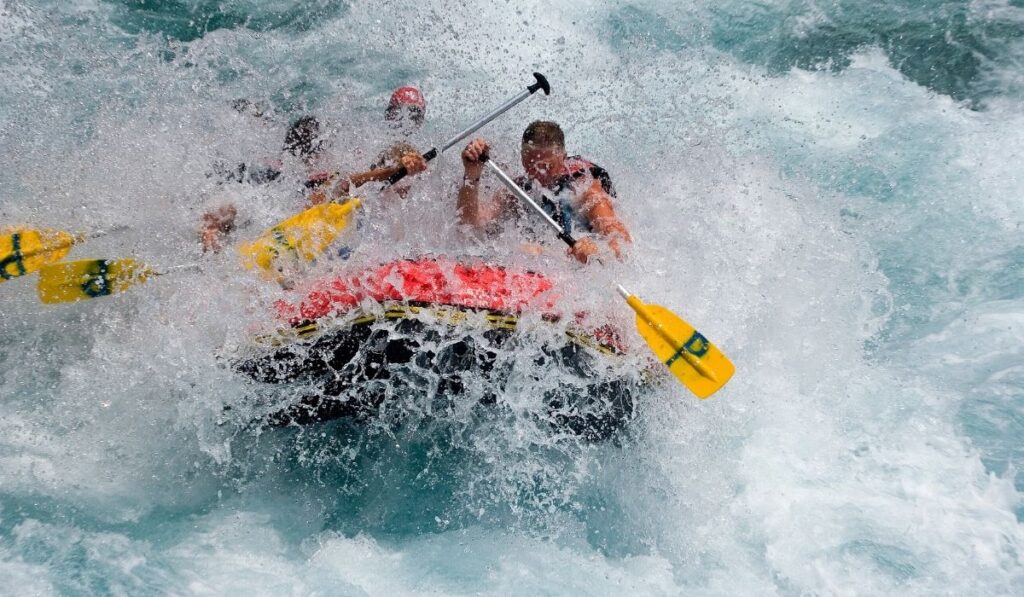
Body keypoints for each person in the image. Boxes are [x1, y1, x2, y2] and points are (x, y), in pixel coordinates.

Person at [457, 120, 631, 263]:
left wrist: (595, 250)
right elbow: (470, 225)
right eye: (530, 165)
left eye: (547, 166)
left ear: (563, 158)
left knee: (529, 250)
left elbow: (621, 242)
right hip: (545, 262)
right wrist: (472, 174)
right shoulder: (517, 190)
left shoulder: (584, 189)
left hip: (579, 267)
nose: (538, 174)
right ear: (522, 159)